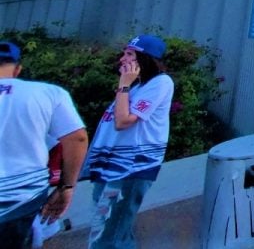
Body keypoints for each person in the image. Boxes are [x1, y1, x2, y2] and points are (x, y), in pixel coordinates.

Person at [82, 35, 174, 249]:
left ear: (145, 58)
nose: (122, 59)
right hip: (110, 166)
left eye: (129, 54)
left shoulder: (161, 82)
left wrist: (123, 84)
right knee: (108, 229)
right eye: (124, 53)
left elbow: (123, 121)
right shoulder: (136, 87)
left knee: (109, 236)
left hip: (130, 168)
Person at [0, 41, 88, 248]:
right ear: (18, 68)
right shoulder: (48, 93)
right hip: (21, 201)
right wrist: (67, 186)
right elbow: (77, 138)